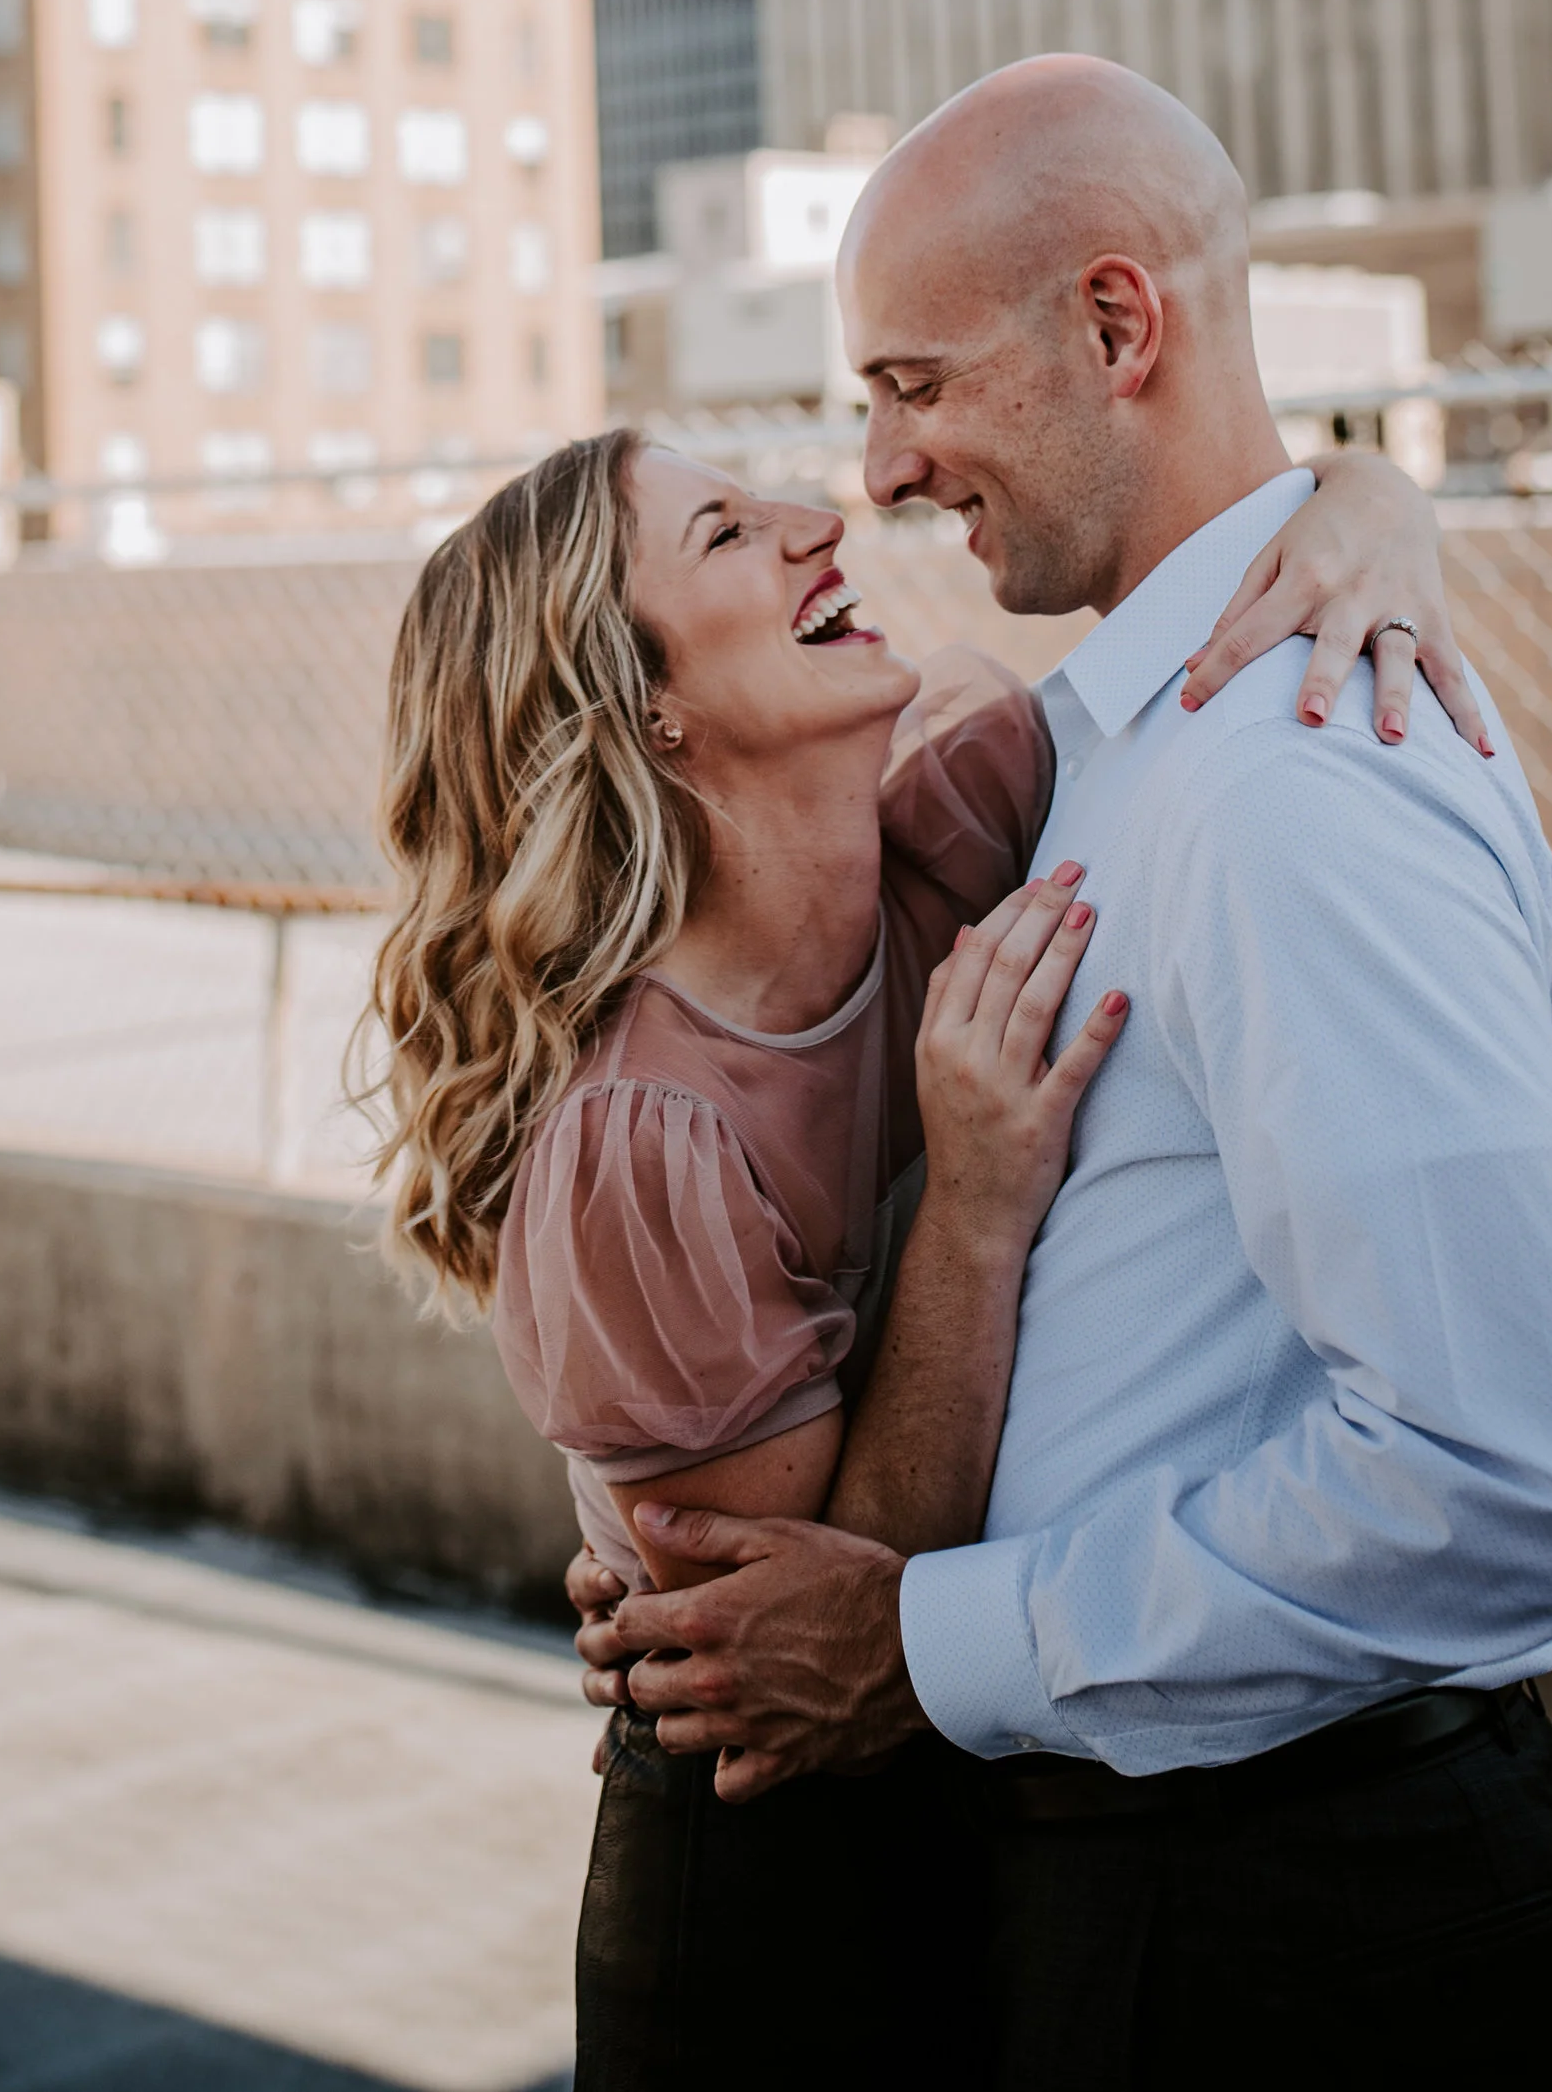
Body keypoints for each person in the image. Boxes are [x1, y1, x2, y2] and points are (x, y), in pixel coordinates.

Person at [590, 57, 1552, 2092]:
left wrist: (919, 1644)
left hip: (1296, 1921)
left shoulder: (1285, 785)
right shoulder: (1114, 738)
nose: (882, 471)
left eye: (914, 383)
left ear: (1112, 327)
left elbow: (1523, 1480)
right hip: (1146, 1883)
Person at [364, 372, 1484, 2089]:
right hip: (772, 1860)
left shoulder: (954, 806)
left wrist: (1371, 503)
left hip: (989, 1795)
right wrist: (971, 1202)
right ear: (644, 708)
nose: (824, 517)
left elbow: (1194, 610)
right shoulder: (644, 1146)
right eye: (728, 532)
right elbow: (826, 1628)